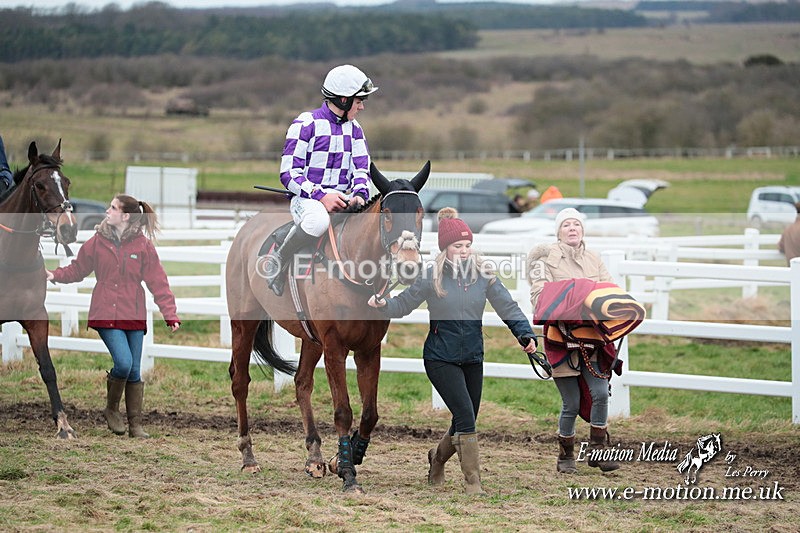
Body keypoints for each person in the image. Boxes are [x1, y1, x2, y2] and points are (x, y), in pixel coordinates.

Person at [368, 207, 537, 495]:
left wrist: (525, 334)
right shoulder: (430, 276)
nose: (464, 250)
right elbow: (403, 304)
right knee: (466, 417)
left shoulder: (483, 275)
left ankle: (437, 458)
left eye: (467, 245)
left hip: (473, 356)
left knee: (464, 419)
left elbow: (507, 306)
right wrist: (384, 305)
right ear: (446, 248)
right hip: (440, 358)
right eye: (458, 246)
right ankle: (474, 483)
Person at [46, 194, 181, 438]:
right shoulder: (97, 241)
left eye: (113, 208)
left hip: (134, 314)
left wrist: (169, 313)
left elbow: (158, 281)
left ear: (125, 216)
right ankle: (111, 409)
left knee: (135, 370)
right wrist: (54, 275)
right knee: (124, 363)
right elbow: (78, 269)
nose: (107, 211)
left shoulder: (143, 246)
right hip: (105, 312)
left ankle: (135, 425)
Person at [264, 64, 379, 296]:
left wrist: (360, 195)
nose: (362, 107)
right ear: (344, 100)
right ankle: (278, 260)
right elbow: (289, 174)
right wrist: (322, 196)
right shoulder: (305, 124)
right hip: (307, 199)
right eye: (359, 101)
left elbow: (361, 169)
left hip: (343, 198)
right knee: (318, 222)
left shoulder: (356, 130)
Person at [526, 207, 620, 473]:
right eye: (566, 225)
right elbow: (539, 298)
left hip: (593, 338)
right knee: (572, 403)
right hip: (561, 340)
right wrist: (576, 297)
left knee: (600, 394)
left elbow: (609, 291)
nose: (572, 229)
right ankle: (565, 456)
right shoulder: (545, 261)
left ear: (582, 230)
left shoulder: (594, 259)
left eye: (576, 224)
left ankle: (598, 451)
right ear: (558, 232)